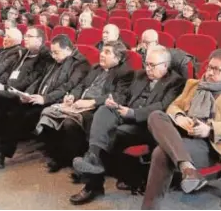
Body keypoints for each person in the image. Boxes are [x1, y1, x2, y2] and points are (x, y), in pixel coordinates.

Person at [70, 45, 185, 205]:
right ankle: (93, 158)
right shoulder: (140, 75)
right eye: (146, 63)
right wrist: (115, 103)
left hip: (149, 125)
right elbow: (125, 95)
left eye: (153, 65)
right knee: (103, 111)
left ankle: (93, 184)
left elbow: (163, 107)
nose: (148, 68)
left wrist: (132, 113)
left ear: (165, 65)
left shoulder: (176, 82)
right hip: (125, 114)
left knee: (111, 134)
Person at [141, 49, 221, 209]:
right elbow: (173, 106)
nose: (209, 73)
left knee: (161, 153)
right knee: (155, 115)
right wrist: (180, 117)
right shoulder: (193, 84)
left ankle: (150, 207)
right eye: (209, 67)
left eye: (216, 69)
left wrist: (210, 129)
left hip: (208, 145)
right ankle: (188, 168)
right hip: (182, 134)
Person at [0, 35, 92, 169]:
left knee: (22, 115)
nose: (53, 55)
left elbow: (68, 86)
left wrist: (46, 98)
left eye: (56, 52)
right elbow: (39, 79)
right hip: (37, 97)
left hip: (55, 102)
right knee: (12, 109)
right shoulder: (55, 61)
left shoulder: (81, 64)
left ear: (68, 49)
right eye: (52, 52)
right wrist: (28, 93)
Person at [33, 41, 133, 175]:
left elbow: (118, 96)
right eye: (102, 51)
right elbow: (82, 85)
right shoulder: (96, 68)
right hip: (79, 104)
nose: (101, 55)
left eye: (107, 52)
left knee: (69, 123)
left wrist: (91, 102)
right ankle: (60, 157)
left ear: (118, 58)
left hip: (98, 109)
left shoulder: (125, 72)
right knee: (48, 111)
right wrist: (72, 96)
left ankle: (78, 164)